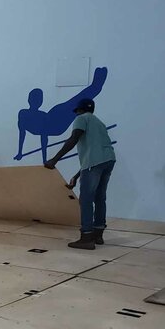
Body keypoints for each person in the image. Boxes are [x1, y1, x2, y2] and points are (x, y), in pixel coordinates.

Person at [44, 98, 116, 249]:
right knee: (100, 198)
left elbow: (73, 139)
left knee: (86, 200)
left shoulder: (81, 119)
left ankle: (86, 237)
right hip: (108, 161)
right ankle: (98, 235)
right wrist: (77, 176)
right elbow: (96, 155)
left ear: (79, 110)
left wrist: (54, 160)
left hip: (94, 163)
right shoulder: (99, 123)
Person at [14, 67, 108, 162]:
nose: (38, 101)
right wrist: (22, 153)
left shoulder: (33, 114)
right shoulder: (23, 114)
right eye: (37, 99)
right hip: (57, 125)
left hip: (55, 114)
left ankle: (95, 86)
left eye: (39, 99)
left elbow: (39, 136)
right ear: (30, 100)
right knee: (76, 102)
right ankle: (96, 86)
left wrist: (42, 159)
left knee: (75, 101)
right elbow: (32, 135)